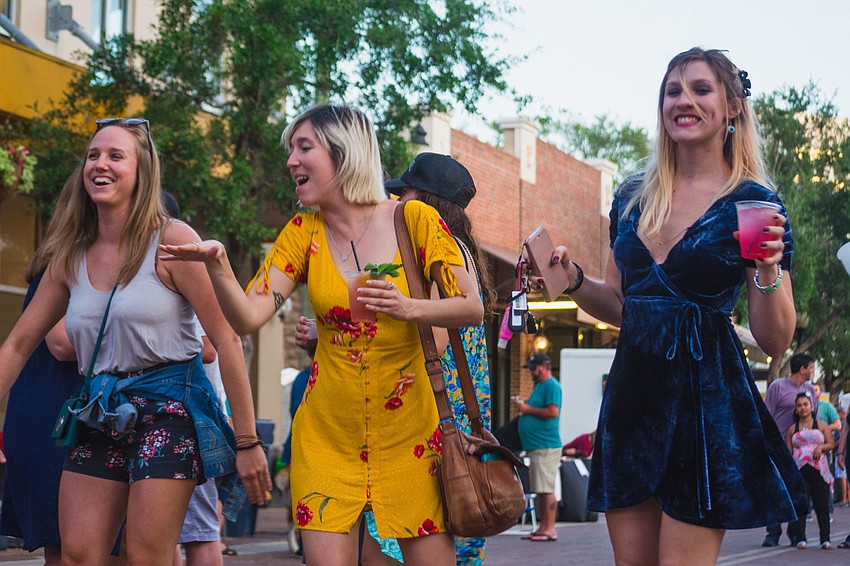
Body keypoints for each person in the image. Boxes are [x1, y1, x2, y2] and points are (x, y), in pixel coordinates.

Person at [159, 104, 484, 566]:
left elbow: (471, 307)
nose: (291, 160)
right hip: (326, 439)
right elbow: (249, 317)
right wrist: (220, 266)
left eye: (303, 147)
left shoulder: (413, 220)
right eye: (291, 148)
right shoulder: (301, 232)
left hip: (411, 438)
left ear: (344, 154)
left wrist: (407, 306)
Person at [535, 47, 806, 565]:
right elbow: (620, 304)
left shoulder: (755, 203)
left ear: (731, 107)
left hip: (705, 412)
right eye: (672, 91)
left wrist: (768, 271)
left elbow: (775, 341)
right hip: (633, 405)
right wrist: (569, 278)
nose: (683, 101)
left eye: (700, 89)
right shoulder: (634, 195)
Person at [0, 117, 271, 566]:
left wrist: (247, 441)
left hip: (169, 407)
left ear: (143, 171)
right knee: (79, 555)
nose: (99, 164)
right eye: (92, 155)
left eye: (115, 155)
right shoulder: (70, 251)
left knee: (145, 555)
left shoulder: (173, 240)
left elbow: (225, 339)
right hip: (99, 406)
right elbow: (16, 346)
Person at [0, 250, 81, 564]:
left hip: (62, 413)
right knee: (66, 546)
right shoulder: (65, 265)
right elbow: (60, 343)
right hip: (58, 419)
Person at [763, 352, 819, 546]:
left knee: (798, 491)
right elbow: (766, 415)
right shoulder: (777, 387)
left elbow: (814, 416)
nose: (812, 371)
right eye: (811, 367)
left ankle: (795, 533)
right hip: (778, 446)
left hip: (801, 449)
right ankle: (773, 532)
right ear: (802, 369)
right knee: (776, 489)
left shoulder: (810, 389)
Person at [512, 353, 561, 543]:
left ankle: (550, 529)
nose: (531, 371)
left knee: (546, 488)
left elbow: (552, 412)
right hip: (536, 446)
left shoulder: (551, 386)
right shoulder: (540, 386)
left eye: (533, 368)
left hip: (546, 445)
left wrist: (526, 409)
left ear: (543, 366)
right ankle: (542, 527)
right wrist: (526, 402)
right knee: (540, 489)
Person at [785, 392, 834, 549]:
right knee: (801, 504)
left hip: (819, 470)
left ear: (811, 407)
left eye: (805, 404)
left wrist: (821, 447)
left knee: (822, 505)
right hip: (800, 471)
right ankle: (800, 538)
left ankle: (825, 539)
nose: (802, 408)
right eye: (799, 405)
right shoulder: (792, 429)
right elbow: (788, 451)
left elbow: (831, 443)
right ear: (796, 409)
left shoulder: (821, 425)